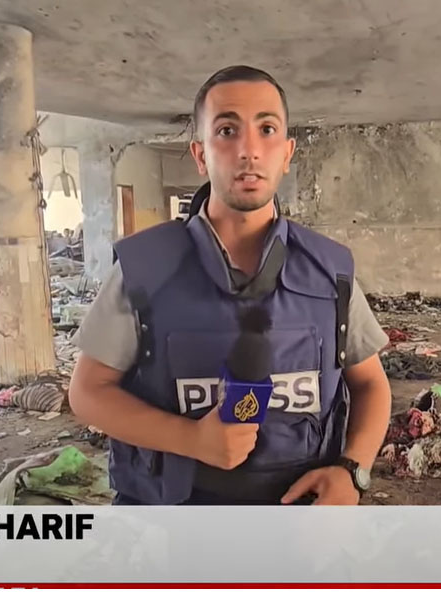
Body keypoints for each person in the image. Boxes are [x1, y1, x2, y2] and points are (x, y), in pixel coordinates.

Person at [68, 65, 392, 506]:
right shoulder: (145, 269)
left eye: (267, 129)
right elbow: (87, 392)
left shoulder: (330, 271)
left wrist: (352, 472)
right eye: (226, 131)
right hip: (171, 524)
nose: (249, 151)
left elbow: (371, 384)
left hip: (299, 522)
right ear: (200, 154)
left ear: (287, 153)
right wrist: (190, 438)